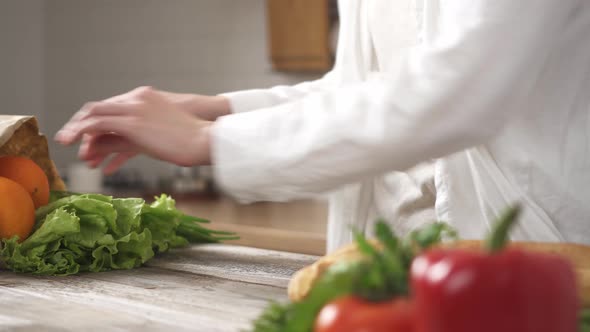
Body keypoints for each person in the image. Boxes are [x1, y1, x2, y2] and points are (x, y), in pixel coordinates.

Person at [56, 0, 590, 252]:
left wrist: (208, 142)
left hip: (524, 253)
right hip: (392, 259)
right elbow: (362, 86)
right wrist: (217, 108)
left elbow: (461, 92)